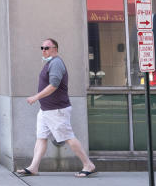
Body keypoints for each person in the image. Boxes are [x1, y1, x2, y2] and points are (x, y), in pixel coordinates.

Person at [15, 38, 97, 178]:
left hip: (56, 110)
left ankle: (88, 164)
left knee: (68, 137)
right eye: (42, 48)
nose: (44, 50)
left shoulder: (56, 63)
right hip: (46, 110)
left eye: (47, 47)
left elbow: (54, 85)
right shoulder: (50, 63)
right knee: (41, 137)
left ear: (55, 49)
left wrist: (36, 97)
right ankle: (33, 167)